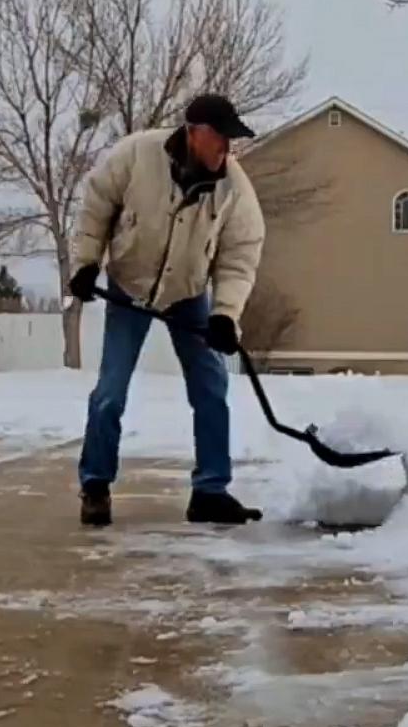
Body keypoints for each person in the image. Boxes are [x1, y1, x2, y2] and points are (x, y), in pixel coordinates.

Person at [66, 94, 266, 527]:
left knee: (211, 387)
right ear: (193, 133)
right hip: (129, 288)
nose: (226, 150)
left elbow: (240, 253)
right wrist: (85, 263)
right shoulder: (137, 155)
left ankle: (210, 491)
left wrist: (225, 315)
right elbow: (96, 204)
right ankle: (96, 484)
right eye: (219, 139)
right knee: (110, 393)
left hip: (188, 293)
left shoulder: (234, 186)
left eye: (231, 141)